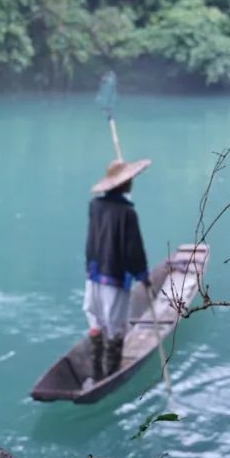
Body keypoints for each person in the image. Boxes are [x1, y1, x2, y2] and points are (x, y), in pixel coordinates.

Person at [84, 157, 152, 382]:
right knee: (116, 326)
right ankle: (110, 374)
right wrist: (143, 275)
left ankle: (96, 371)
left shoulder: (95, 205)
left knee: (96, 319)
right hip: (113, 275)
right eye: (130, 179)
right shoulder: (127, 213)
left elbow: (92, 240)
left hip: (93, 273)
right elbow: (133, 249)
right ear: (124, 184)